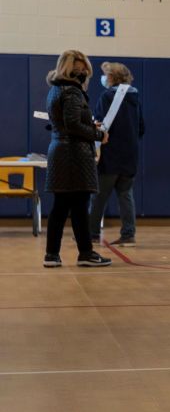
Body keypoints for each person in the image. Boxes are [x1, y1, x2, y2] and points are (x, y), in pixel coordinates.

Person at [43, 50, 112, 268]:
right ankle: (86, 253)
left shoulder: (55, 89)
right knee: (80, 206)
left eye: (85, 70)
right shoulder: (72, 91)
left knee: (61, 206)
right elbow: (73, 125)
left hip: (60, 152)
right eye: (80, 70)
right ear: (69, 69)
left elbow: (64, 122)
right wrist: (99, 134)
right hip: (74, 154)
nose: (83, 74)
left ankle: (52, 254)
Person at [89, 62, 144, 247]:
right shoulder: (135, 97)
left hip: (110, 155)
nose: (104, 78)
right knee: (126, 195)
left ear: (112, 77)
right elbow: (141, 127)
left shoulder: (107, 96)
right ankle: (128, 235)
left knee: (98, 196)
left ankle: (92, 233)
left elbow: (98, 121)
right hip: (130, 156)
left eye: (106, 74)